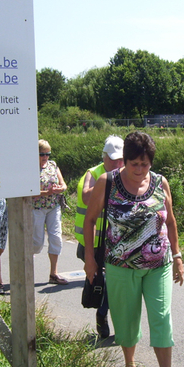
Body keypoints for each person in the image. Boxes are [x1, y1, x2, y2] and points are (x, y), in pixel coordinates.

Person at [84, 131, 184, 367]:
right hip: (119, 266)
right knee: (126, 320)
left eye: (145, 164)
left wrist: (177, 256)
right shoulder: (108, 182)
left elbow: (170, 221)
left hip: (159, 265)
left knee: (162, 319)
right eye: (134, 164)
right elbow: (90, 219)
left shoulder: (159, 182)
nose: (140, 170)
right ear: (125, 162)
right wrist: (90, 260)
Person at [74, 134, 124, 339]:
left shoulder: (128, 173)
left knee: (114, 283)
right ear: (103, 156)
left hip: (117, 241)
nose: (116, 162)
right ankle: (102, 314)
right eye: (111, 158)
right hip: (92, 242)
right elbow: (86, 196)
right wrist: (108, 182)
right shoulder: (94, 174)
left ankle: (104, 315)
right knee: (103, 282)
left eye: (120, 158)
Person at [33, 139, 69, 285]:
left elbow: (64, 184)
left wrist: (60, 189)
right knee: (37, 242)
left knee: (56, 238)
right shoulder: (29, 168)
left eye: (48, 154)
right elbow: (28, 194)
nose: (45, 157)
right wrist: (46, 192)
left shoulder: (53, 165)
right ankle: (26, 269)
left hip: (53, 207)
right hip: (36, 208)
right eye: (42, 154)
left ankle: (53, 274)